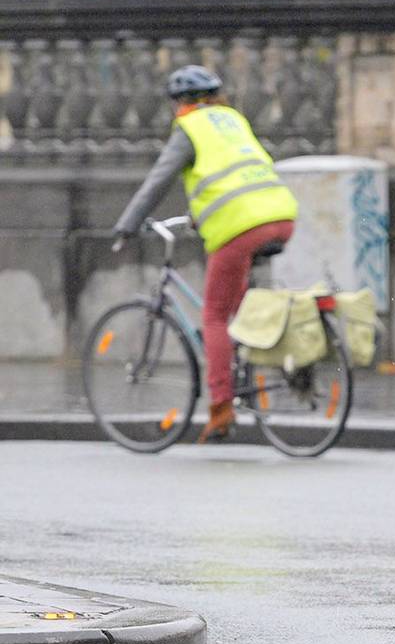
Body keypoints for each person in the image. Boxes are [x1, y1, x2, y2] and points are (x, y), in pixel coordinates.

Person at [113, 65, 299, 443]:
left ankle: (221, 408)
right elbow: (229, 175)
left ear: (180, 103)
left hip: (241, 224)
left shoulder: (190, 128)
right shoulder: (232, 120)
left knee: (213, 316)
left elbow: (157, 182)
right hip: (280, 213)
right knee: (240, 303)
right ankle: (278, 360)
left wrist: (127, 225)